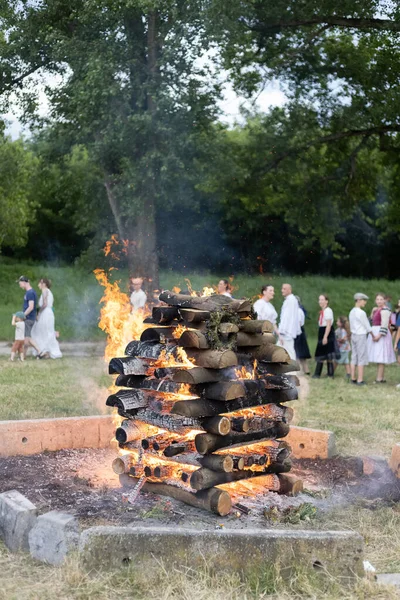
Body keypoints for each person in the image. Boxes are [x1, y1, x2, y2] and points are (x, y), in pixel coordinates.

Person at [367, 293, 396, 383]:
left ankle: (379, 378)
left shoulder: (385, 310)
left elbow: (384, 325)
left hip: (380, 333)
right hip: (375, 330)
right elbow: (372, 321)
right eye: (377, 299)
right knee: (378, 356)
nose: (379, 301)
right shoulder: (377, 309)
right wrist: (373, 312)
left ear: (384, 300)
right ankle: (381, 377)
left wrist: (378, 336)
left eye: (381, 299)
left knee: (380, 356)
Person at [31, 278, 62, 359]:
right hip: (49, 313)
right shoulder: (48, 292)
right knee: (46, 331)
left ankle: (44, 350)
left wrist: (39, 313)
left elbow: (45, 304)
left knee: (42, 331)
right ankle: (45, 350)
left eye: (39, 283)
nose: (38, 285)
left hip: (45, 313)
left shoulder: (45, 291)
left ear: (43, 284)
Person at [349, 293, 373, 385]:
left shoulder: (352, 311)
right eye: (364, 300)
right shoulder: (361, 313)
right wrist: (373, 335)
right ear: (359, 300)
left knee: (354, 356)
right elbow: (367, 326)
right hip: (361, 335)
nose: (365, 302)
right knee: (361, 356)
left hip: (353, 335)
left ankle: (353, 378)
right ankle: (360, 379)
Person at [17, 276, 42, 357]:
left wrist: (23, 315)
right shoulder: (31, 292)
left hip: (28, 318)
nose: (19, 285)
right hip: (30, 317)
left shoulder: (30, 293)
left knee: (26, 338)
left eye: (20, 283)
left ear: (24, 282)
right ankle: (24, 355)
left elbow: (31, 307)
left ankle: (39, 351)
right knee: (26, 337)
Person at [313, 294, 335, 378]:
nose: (320, 301)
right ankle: (319, 373)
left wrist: (325, 336)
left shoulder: (328, 311)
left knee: (327, 352)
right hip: (322, 330)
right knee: (322, 352)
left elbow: (328, 325)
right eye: (319, 300)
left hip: (327, 332)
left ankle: (329, 373)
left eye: (322, 300)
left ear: (326, 301)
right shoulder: (323, 311)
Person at [278, 283, 301, 360]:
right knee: (280, 350)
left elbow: (287, 317)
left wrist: (282, 330)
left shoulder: (291, 300)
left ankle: (292, 370)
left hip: (287, 331)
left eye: (284, 289)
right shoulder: (290, 300)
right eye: (282, 288)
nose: (282, 290)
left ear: (289, 290)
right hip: (287, 331)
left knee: (289, 351)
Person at [294, 296, 311, 375]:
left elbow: (299, 323)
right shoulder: (296, 310)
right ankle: (304, 370)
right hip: (297, 331)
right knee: (299, 353)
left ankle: (302, 370)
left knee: (299, 352)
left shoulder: (298, 311)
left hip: (298, 332)